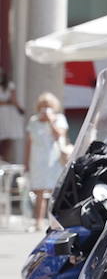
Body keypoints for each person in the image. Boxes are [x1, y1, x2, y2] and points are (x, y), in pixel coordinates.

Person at [24, 92, 68, 230]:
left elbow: (59, 135)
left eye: (48, 106)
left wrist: (51, 121)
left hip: (54, 159)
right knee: (39, 191)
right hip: (37, 159)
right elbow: (29, 143)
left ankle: (57, 220)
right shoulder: (33, 121)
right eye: (43, 106)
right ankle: (38, 221)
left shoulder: (59, 119)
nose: (45, 108)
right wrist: (25, 161)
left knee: (57, 191)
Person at [0, 70, 22, 162]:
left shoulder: (9, 85)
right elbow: (13, 100)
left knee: (8, 136)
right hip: (5, 113)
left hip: (7, 114)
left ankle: (5, 159)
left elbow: (14, 99)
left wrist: (18, 107)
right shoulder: (9, 85)